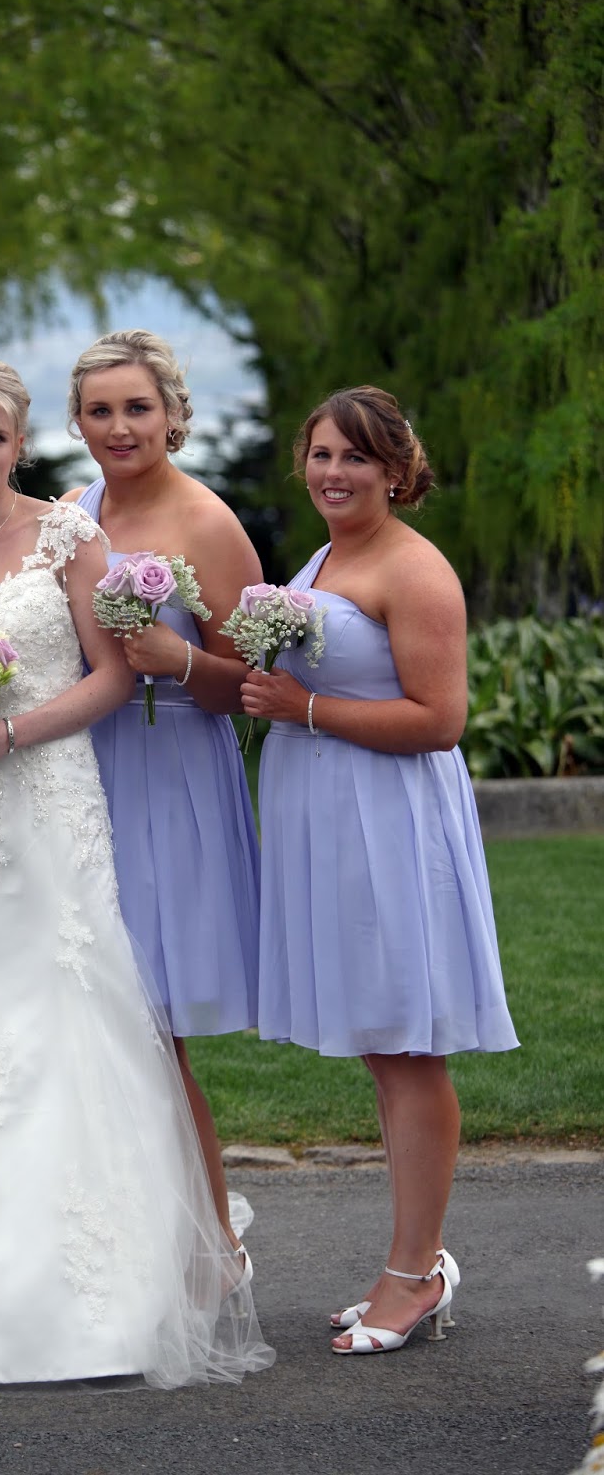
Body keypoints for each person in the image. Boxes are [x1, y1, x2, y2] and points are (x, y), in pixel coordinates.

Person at [0, 358, 274, 1392]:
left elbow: (113, 674)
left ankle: (103, 1295)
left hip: (53, 803)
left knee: (69, 1011)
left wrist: (11, 731)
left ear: (22, 444)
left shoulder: (71, 538)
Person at [239, 386, 518, 1356]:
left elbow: (439, 720)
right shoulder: (322, 558)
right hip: (326, 818)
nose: (332, 472)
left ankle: (417, 1273)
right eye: (320, 454)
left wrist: (303, 710)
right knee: (381, 1049)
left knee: (407, 1046)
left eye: (355, 457)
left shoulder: (414, 568)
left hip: (389, 820)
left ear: (397, 470)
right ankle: (408, 1260)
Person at [63, 329, 264, 1258]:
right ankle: (112, 1236)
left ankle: (208, 1247)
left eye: (137, 408)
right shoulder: (71, 516)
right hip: (79, 774)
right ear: (77, 422)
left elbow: (251, 686)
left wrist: (178, 659)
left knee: (149, 1023)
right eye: (99, 411)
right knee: (88, 1016)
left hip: (171, 774)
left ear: (173, 415)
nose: (119, 427)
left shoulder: (208, 524)